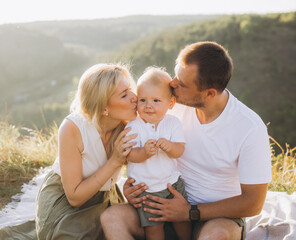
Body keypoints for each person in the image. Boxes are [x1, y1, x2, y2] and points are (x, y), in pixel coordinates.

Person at [100, 41, 272, 240]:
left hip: (214, 217)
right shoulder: (170, 104)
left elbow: (254, 203)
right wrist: (133, 191)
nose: (172, 84)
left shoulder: (249, 128)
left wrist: (190, 212)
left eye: (182, 84)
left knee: (215, 235)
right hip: (159, 200)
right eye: (176, 75)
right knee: (111, 218)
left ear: (209, 94)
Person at [0, 63, 138, 240]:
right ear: (104, 107)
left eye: (130, 89)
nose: (134, 98)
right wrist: (114, 161)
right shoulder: (73, 128)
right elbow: (74, 198)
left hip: (104, 197)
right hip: (65, 199)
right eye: (124, 95)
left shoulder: (131, 124)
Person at [125, 67, 190, 240]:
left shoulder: (172, 123)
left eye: (156, 100)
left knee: (183, 222)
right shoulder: (134, 126)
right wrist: (143, 153)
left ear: (171, 103)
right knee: (153, 228)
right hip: (146, 189)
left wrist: (169, 147)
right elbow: (129, 154)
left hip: (171, 184)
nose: (148, 106)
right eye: (143, 100)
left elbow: (180, 150)